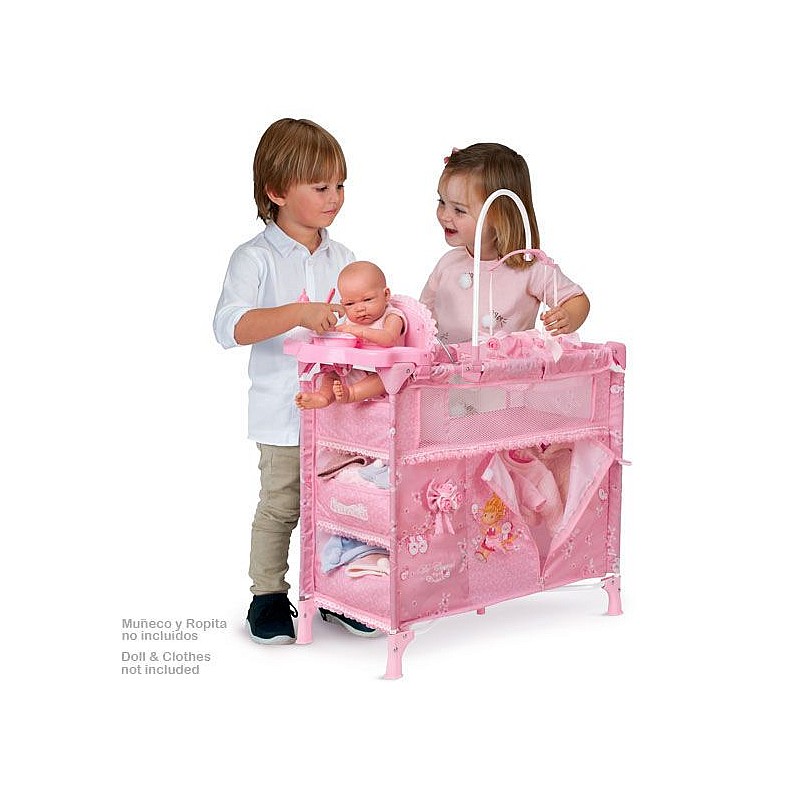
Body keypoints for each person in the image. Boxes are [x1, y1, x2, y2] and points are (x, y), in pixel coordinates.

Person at [213, 118, 377, 644]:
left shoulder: (344, 259)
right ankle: (267, 596)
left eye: (340, 185)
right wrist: (298, 313)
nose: (335, 197)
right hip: (282, 415)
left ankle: (335, 590)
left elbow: (365, 323)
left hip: (340, 414)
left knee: (341, 504)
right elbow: (230, 327)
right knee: (282, 505)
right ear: (277, 191)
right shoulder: (254, 258)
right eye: (321, 187)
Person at [420, 143, 590, 344]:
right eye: (442, 202)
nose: (444, 215)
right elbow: (421, 315)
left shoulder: (529, 267)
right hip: (446, 363)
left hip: (509, 365)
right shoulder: (448, 264)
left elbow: (576, 299)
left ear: (500, 216)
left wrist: (567, 316)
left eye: (459, 210)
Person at [294, 260, 406, 410]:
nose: (359, 308)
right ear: (342, 304)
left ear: (386, 294)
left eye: (367, 300)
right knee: (331, 374)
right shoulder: (351, 321)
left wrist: (361, 331)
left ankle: (351, 394)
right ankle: (323, 397)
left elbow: (389, 338)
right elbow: (340, 336)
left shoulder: (392, 316)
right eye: (350, 304)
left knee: (385, 380)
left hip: (380, 373)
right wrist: (327, 332)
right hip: (354, 370)